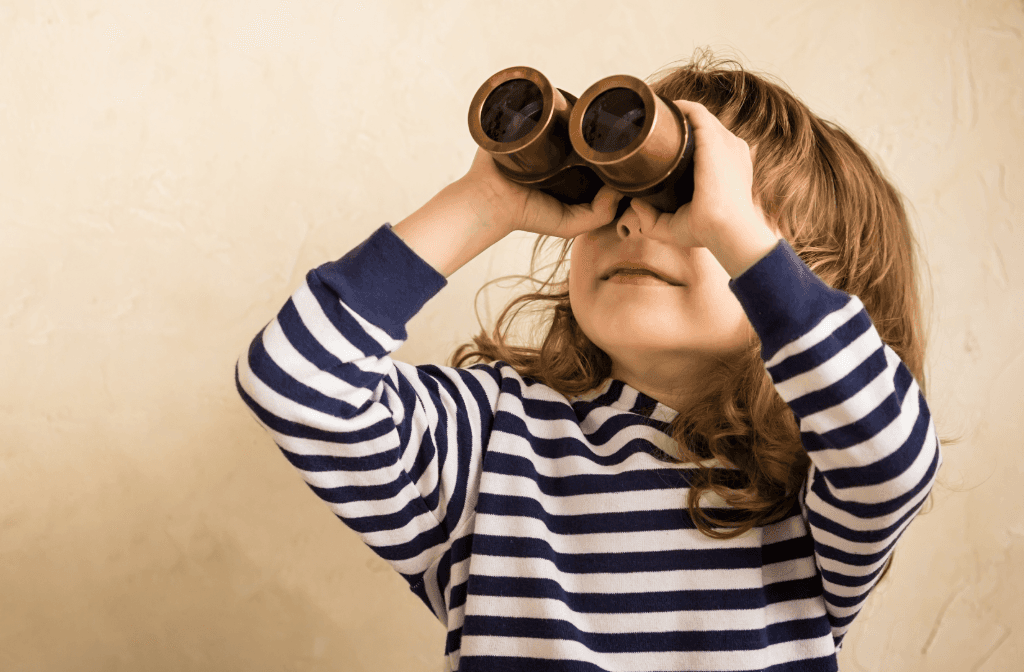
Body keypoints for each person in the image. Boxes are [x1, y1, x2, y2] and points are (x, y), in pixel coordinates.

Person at [233, 52, 940, 671]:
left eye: (685, 198)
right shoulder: (492, 441)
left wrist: (737, 232)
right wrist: (482, 202)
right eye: (620, 195)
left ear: (803, 273)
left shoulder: (808, 481)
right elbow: (296, 380)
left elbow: (889, 456)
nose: (634, 219)